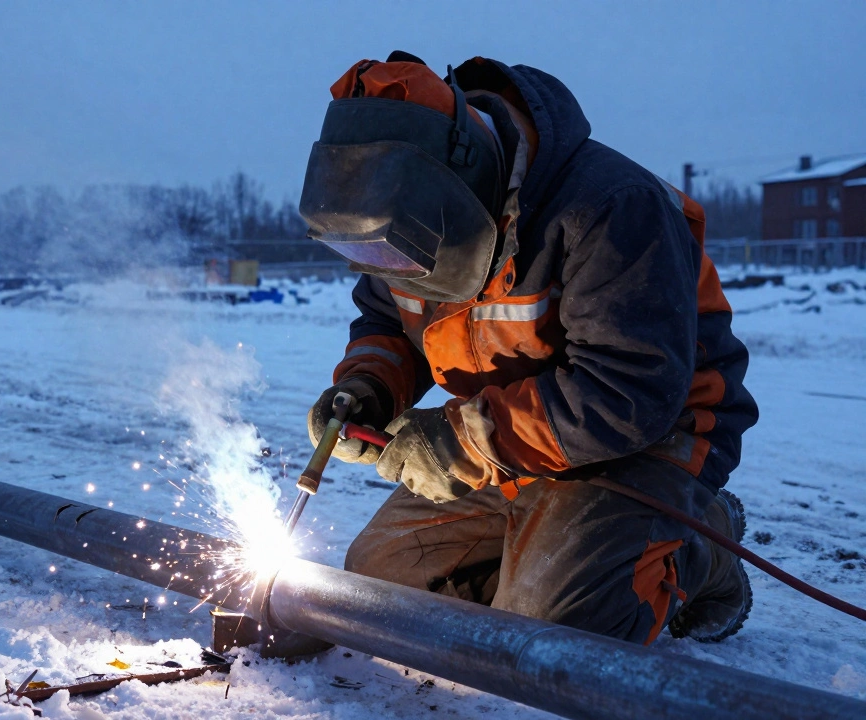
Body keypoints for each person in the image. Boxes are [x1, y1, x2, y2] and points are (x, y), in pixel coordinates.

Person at [302, 52, 758, 645]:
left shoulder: (610, 206)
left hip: (647, 438)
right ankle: (555, 556)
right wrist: (367, 387)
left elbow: (630, 391)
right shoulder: (404, 222)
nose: (394, 271)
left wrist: (463, 442)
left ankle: (701, 545)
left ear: (463, 182)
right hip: (515, 441)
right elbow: (389, 320)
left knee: (559, 635)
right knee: (381, 587)